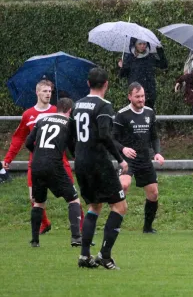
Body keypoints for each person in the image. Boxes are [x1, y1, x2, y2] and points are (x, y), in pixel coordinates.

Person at [2, 79, 82, 235]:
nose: (48, 94)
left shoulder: (56, 111)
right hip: (36, 162)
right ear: (37, 92)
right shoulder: (28, 114)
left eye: (50, 91)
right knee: (34, 198)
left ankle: (81, 227)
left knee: (72, 194)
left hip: (59, 160)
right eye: (45, 91)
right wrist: (8, 159)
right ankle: (44, 224)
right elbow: (19, 138)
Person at [74, 67, 129, 270]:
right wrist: (120, 159)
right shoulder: (104, 105)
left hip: (81, 162)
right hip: (98, 162)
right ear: (106, 84)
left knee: (94, 206)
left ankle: (84, 256)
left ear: (88, 84)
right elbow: (105, 135)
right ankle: (105, 256)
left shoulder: (78, 104)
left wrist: (78, 154)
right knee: (120, 206)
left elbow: (72, 135)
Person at [25, 98, 82, 247]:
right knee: (73, 199)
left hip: (36, 164)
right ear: (70, 110)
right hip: (54, 164)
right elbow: (72, 146)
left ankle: (35, 240)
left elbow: (28, 143)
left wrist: (38, 154)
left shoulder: (42, 120)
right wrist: (78, 157)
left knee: (38, 202)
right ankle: (76, 237)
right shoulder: (69, 123)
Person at [113, 82, 164, 234]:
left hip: (144, 158)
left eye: (142, 96)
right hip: (128, 160)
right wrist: (124, 148)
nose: (141, 99)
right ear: (130, 97)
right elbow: (112, 139)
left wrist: (157, 152)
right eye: (137, 97)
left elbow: (154, 137)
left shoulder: (149, 113)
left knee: (153, 194)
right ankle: (114, 224)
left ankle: (147, 228)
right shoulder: (122, 115)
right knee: (123, 186)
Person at [118, 38, 168, 110]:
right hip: (135, 93)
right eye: (140, 44)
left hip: (149, 94)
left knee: (148, 117)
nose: (142, 46)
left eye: (144, 44)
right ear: (135, 45)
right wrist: (121, 67)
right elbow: (122, 75)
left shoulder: (150, 57)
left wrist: (160, 50)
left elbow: (164, 65)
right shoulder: (130, 58)